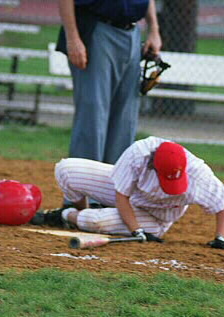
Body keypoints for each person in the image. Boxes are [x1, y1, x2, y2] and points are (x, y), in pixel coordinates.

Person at [31, 136, 224, 250]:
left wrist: (220, 238)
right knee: (65, 169)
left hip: (157, 217)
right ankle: (78, 213)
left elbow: (222, 206)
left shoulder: (200, 176)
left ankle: (65, 216)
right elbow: (122, 196)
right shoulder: (138, 154)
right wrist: (136, 230)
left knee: (96, 221)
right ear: (152, 165)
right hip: (127, 196)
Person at [57, 0, 162, 207]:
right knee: (92, 120)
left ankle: (109, 200)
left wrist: (154, 30)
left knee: (124, 123)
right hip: (96, 29)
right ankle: (77, 201)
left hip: (132, 33)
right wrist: (73, 38)